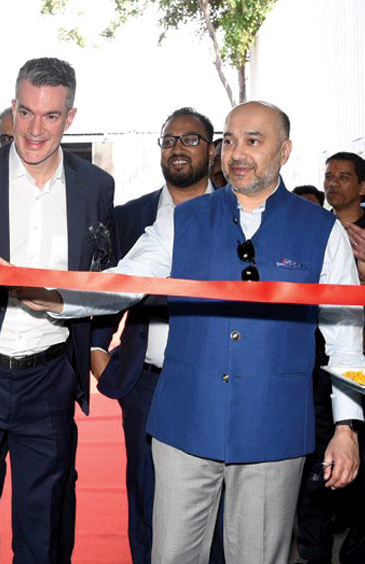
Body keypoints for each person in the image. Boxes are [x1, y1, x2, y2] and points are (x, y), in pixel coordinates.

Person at [35, 101, 364, 564]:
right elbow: (123, 282)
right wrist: (58, 300)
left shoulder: (322, 231)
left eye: (253, 140)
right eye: (229, 140)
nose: (237, 153)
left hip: (274, 433)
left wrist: (347, 426)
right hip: (183, 425)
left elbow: (346, 337)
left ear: (284, 151)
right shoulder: (181, 221)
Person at [0, 57, 118, 564]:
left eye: (51, 116)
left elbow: (103, 280)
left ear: (71, 116)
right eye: (25, 113)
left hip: (50, 375)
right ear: (13, 108)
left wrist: (74, 316)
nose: (35, 129)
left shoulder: (96, 187)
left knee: (45, 524)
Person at [90, 107, 220, 564]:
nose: (178, 149)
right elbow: (109, 284)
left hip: (215, 383)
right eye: (169, 141)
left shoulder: (235, 213)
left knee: (215, 505)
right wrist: (96, 350)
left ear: (212, 149)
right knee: (147, 496)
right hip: (146, 382)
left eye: (190, 139)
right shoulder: (130, 217)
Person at [295, 151, 365, 564]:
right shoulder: (314, 231)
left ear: (362, 186)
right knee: (315, 473)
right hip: (317, 367)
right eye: (328, 175)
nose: (333, 183)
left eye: (344, 176)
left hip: (357, 366)